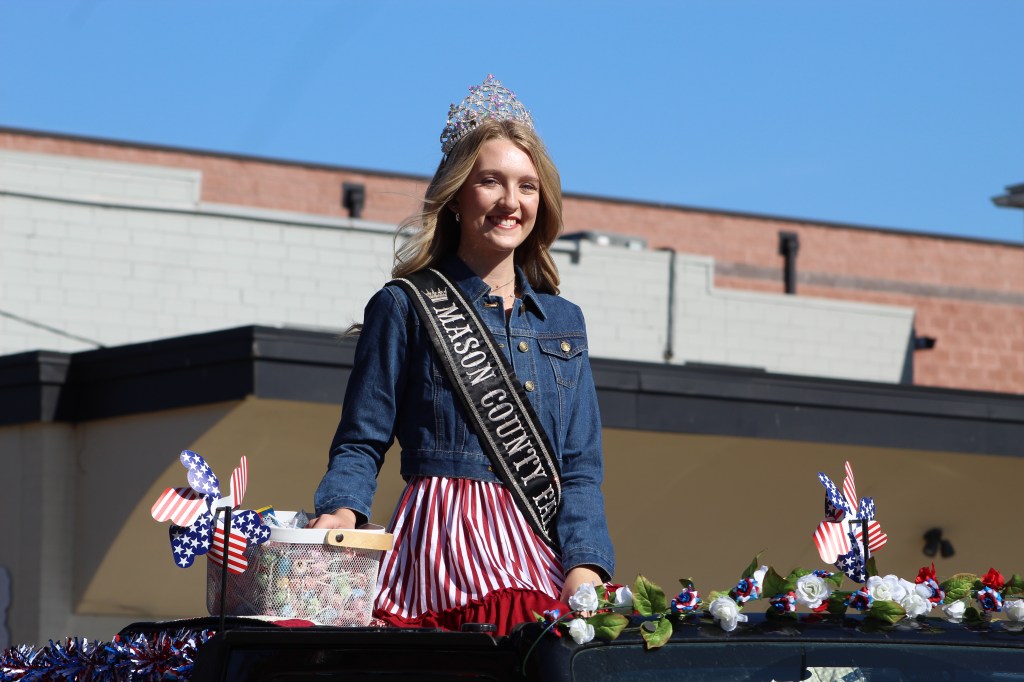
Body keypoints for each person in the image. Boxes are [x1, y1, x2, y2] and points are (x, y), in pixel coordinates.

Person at [309, 75, 614, 634]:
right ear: (455, 196)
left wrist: (586, 565)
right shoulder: (404, 306)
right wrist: (341, 513)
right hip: (441, 547)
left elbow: (579, 469)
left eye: (526, 186)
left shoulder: (564, 322)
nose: (510, 202)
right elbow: (361, 439)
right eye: (490, 182)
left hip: (537, 549)